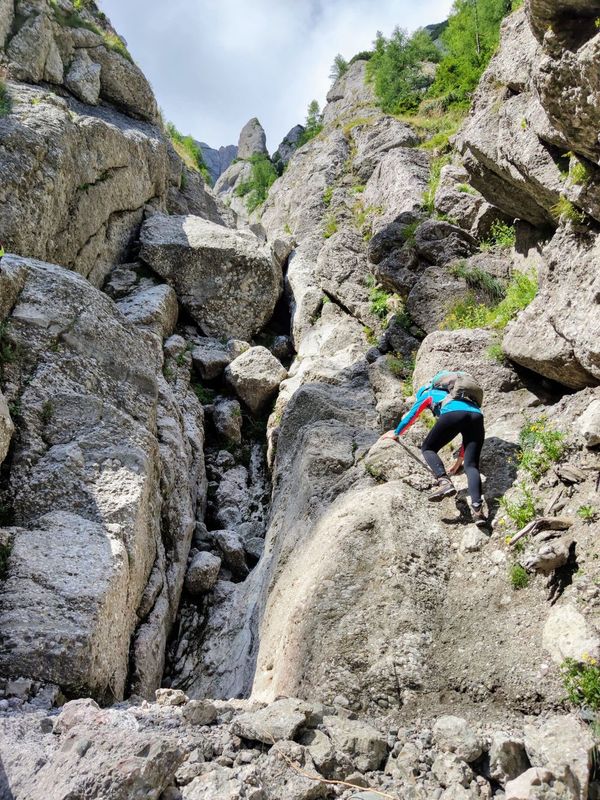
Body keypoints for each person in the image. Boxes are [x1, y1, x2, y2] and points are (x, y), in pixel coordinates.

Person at [381, 372, 486, 526]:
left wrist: (396, 433)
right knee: (472, 466)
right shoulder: (462, 397)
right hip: (477, 416)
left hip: (453, 414)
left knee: (428, 448)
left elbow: (412, 414)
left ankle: (444, 482)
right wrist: (460, 461)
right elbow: (467, 436)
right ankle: (478, 512)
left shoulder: (428, 393)